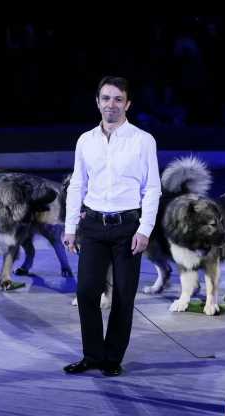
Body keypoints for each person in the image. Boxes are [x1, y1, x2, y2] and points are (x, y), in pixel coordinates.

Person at [62, 76, 161, 377]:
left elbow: (153, 188)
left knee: (123, 295)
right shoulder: (85, 140)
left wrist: (145, 229)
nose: (111, 105)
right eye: (106, 98)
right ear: (97, 102)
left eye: (118, 99)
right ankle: (93, 355)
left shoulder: (143, 141)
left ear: (128, 104)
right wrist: (69, 227)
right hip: (92, 225)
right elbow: (77, 184)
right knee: (87, 293)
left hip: (127, 228)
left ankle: (112, 358)